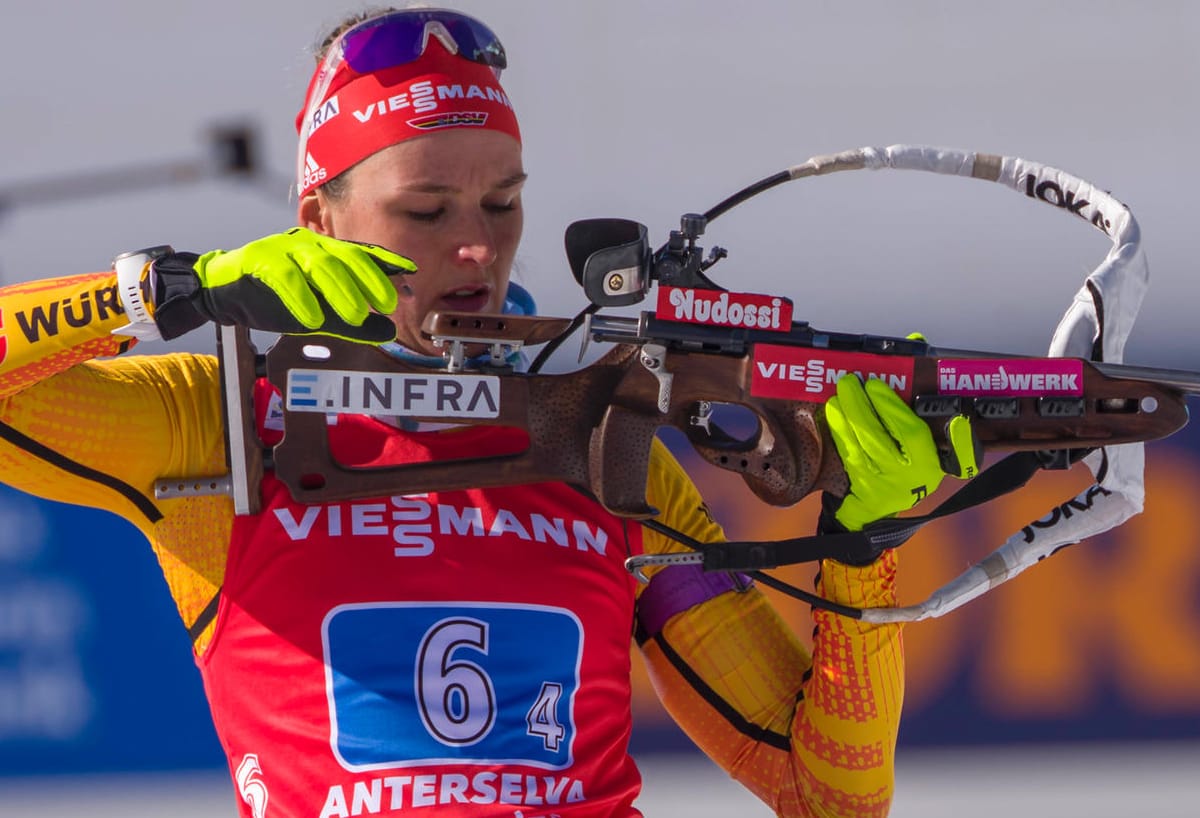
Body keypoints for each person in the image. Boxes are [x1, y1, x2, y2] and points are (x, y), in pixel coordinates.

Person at [0, 7, 977, 817]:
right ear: (317, 221)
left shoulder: (603, 436)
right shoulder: (218, 426)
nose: (476, 248)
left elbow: (829, 794)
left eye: (503, 204)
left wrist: (862, 548)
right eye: (426, 213)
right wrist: (170, 287)